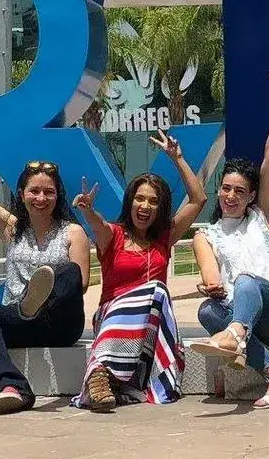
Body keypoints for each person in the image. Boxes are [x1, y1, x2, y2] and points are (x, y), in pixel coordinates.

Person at [0, 105, 91, 414]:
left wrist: (50, 292)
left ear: (58, 196)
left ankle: (37, 300)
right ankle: (12, 385)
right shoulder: (11, 227)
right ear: (21, 193)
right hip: (19, 318)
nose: (41, 198)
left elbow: (81, 284)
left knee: (69, 271)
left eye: (49, 192)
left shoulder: (73, 232)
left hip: (60, 323)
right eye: (34, 191)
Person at [191, 70, 269, 409]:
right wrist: (211, 287)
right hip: (238, 312)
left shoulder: (259, 217)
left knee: (245, 281)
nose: (230, 196)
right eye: (226, 189)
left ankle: (236, 335)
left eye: (239, 191)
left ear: (252, 195)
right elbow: (211, 277)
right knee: (208, 310)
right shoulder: (206, 235)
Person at [70, 129, 208, 412]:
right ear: (130, 202)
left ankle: (113, 377)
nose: (145, 206)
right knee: (156, 290)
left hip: (151, 329)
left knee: (157, 292)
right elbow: (98, 224)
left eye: (153, 201)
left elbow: (198, 200)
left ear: (160, 209)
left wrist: (177, 159)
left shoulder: (163, 240)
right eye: (140, 198)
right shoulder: (115, 236)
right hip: (113, 322)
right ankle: (100, 374)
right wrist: (87, 210)